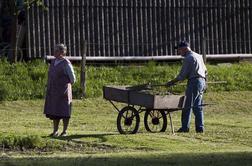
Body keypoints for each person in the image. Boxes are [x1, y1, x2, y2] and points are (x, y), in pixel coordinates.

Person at [166, 41, 207, 133]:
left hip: (194, 82)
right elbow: (205, 71)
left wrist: (171, 82)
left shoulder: (188, 58)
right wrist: (205, 83)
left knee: (187, 105)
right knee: (198, 106)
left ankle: (185, 128)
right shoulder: (198, 56)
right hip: (202, 81)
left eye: (179, 50)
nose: (178, 52)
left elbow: (182, 76)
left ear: (184, 49)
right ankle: (200, 128)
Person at [44, 43, 76, 137]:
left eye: (56, 50)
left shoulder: (66, 63)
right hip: (53, 92)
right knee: (55, 112)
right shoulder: (53, 62)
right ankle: (55, 131)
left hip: (63, 92)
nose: (54, 52)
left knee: (65, 112)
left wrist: (64, 85)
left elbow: (73, 79)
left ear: (62, 52)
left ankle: (64, 131)